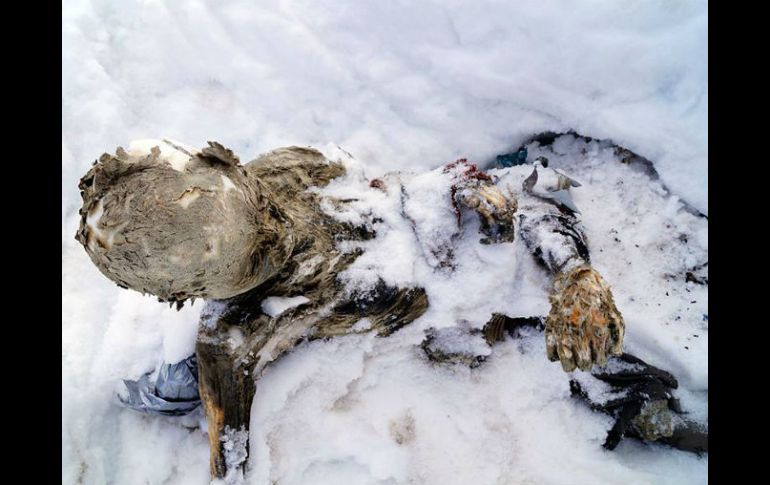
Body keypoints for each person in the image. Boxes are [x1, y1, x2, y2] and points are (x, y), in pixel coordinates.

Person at [75, 138, 706, 480]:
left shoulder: (290, 169)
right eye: (248, 254)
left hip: (457, 251)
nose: (275, 236)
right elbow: (229, 460)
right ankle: (640, 408)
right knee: (588, 363)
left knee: (537, 179)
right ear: (194, 291)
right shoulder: (239, 334)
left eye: (256, 213)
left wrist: (574, 274)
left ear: (231, 170)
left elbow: (396, 183)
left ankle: (597, 311)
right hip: (444, 321)